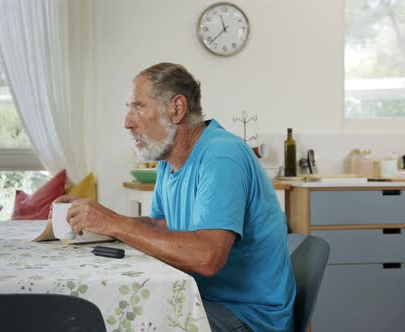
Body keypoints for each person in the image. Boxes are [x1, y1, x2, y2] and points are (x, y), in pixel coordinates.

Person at [53, 63, 295, 332]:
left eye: (138, 107)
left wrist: (112, 223)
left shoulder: (221, 155)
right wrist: (98, 219)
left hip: (246, 317)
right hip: (202, 300)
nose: (127, 122)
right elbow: (163, 227)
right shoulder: (169, 162)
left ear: (176, 109)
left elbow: (207, 257)